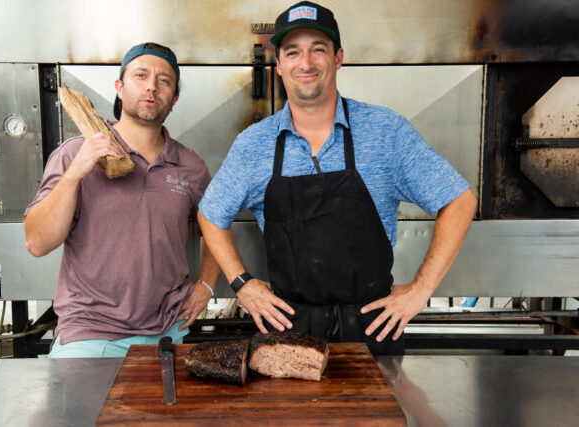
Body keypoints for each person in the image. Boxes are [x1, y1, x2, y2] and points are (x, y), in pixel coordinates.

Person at [197, 2, 477, 355]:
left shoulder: (385, 131)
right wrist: (243, 284)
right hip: (289, 331)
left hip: (373, 328)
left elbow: (459, 200)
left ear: (338, 57)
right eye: (293, 52)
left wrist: (421, 289)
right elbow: (210, 215)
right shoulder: (254, 144)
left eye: (319, 49)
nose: (307, 62)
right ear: (279, 65)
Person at [24, 42, 220, 358]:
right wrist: (75, 173)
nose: (152, 86)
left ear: (175, 98)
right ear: (119, 87)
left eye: (164, 80)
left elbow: (216, 229)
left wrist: (206, 287)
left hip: (167, 334)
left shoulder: (191, 167)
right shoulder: (75, 152)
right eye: (140, 75)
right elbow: (37, 242)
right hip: (88, 334)